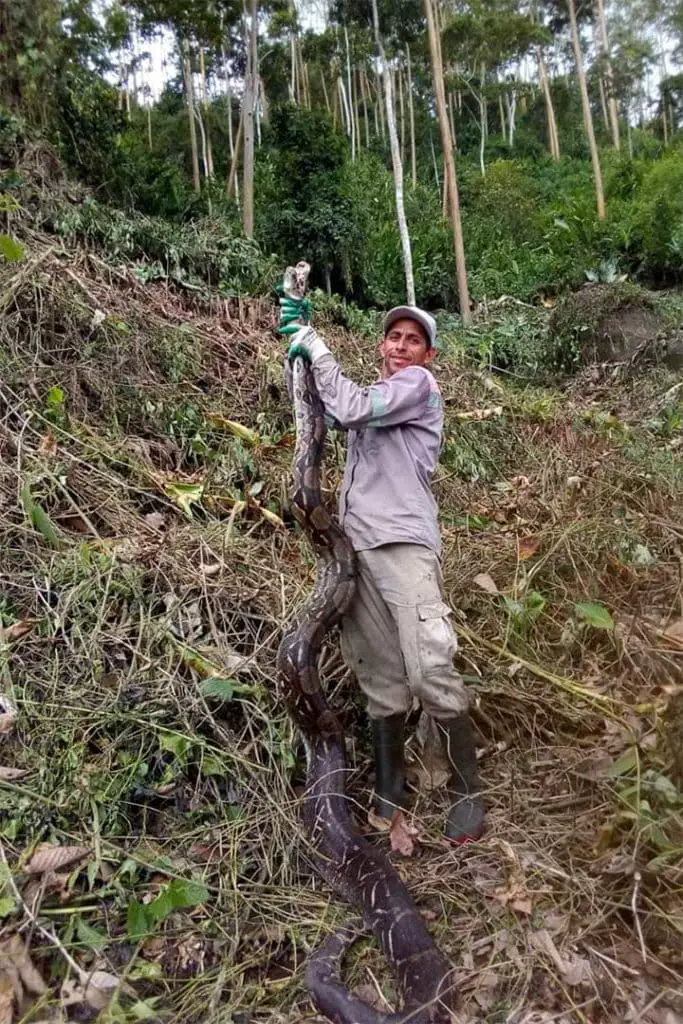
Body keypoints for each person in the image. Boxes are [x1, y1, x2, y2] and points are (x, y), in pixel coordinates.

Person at [280, 297, 484, 843]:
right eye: (393, 336)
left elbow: (347, 406)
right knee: (381, 678)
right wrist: (297, 348)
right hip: (355, 552)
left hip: (403, 546)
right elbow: (325, 409)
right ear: (381, 345)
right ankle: (392, 788)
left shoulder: (417, 388)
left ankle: (467, 788)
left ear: (429, 354)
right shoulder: (377, 399)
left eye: (413, 339)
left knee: (429, 666)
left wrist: (316, 345)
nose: (401, 346)